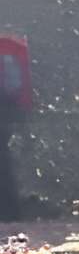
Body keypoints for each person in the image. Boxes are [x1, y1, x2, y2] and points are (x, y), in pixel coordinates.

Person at [0, 32, 31, 220]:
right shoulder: (8, 49)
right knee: (4, 160)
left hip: (4, 109)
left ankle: (8, 211)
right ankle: (10, 210)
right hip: (8, 111)